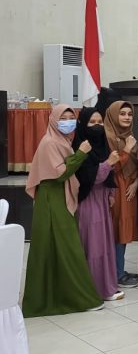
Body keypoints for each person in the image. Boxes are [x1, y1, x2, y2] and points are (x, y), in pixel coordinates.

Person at [23, 105, 104, 316]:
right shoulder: (50, 142)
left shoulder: (61, 141)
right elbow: (60, 174)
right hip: (52, 200)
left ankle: (60, 296)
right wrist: (81, 154)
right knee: (68, 247)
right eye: (63, 118)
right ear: (53, 120)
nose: (68, 122)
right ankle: (82, 298)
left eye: (71, 117)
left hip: (56, 197)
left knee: (57, 246)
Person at [73, 108, 123, 301]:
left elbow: (109, 174)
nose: (97, 126)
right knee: (93, 245)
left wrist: (110, 192)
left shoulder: (102, 144)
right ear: (83, 125)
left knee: (104, 244)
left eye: (100, 122)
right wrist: (108, 163)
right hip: (88, 199)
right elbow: (87, 177)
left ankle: (105, 286)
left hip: (102, 199)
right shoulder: (80, 146)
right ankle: (93, 290)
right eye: (92, 122)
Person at [104, 101, 138, 288]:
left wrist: (136, 182)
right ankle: (116, 274)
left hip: (130, 187)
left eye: (129, 114)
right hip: (115, 188)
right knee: (117, 230)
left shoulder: (129, 135)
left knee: (124, 230)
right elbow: (111, 168)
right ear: (113, 115)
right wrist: (126, 149)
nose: (127, 117)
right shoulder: (107, 137)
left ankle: (120, 269)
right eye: (122, 113)